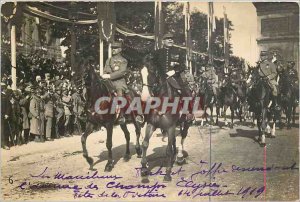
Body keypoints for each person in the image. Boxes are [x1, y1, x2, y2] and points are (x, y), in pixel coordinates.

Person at [102, 41, 129, 124]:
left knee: (119, 92)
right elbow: (106, 70)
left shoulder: (123, 61)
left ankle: (121, 115)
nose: (113, 49)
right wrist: (106, 74)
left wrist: (110, 76)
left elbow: (122, 72)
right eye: (112, 48)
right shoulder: (109, 60)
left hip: (119, 82)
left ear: (120, 49)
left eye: (115, 48)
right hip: (109, 82)